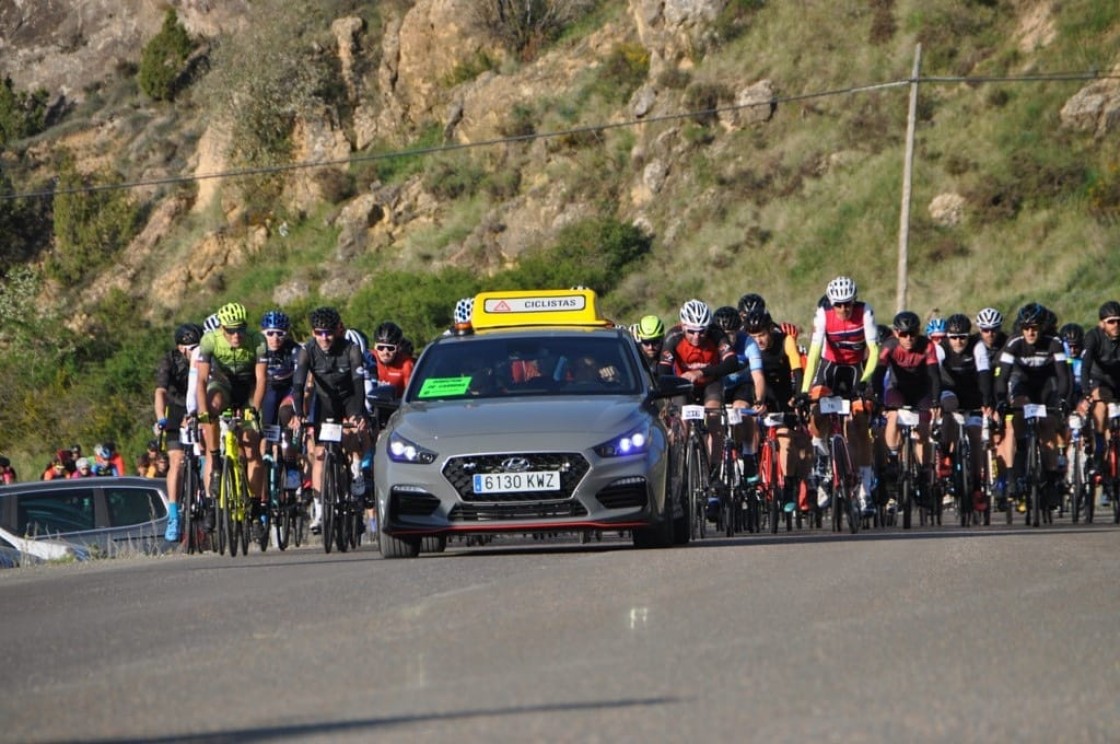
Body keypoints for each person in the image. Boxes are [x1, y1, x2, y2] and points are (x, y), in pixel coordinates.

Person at [800, 275, 879, 509]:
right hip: (830, 369)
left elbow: (874, 350)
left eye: (848, 303)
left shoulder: (865, 312)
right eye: (839, 304)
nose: (844, 309)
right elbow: (814, 354)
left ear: (855, 301)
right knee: (815, 410)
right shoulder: (824, 315)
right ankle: (822, 460)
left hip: (855, 371)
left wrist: (866, 380)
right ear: (831, 303)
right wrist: (805, 389)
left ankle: (864, 488)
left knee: (860, 422)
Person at [289, 307, 371, 532]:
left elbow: (358, 384)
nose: (324, 338)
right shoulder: (308, 350)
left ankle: (355, 469)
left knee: (353, 432)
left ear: (337, 331)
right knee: (320, 454)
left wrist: (358, 414)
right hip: (325, 402)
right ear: (313, 332)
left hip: (349, 398)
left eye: (329, 333)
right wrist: (299, 413)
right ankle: (320, 511)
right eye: (319, 332)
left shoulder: (351, 349)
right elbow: (297, 385)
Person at [196, 302, 268, 528]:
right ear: (222, 328)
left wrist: (254, 410)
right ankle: (216, 463)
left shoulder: (258, 340)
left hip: (247, 389)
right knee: (211, 406)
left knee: (251, 446)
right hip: (222, 385)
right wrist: (203, 413)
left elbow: (262, 379)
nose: (236, 335)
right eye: (230, 330)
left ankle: (256, 508)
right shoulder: (209, 340)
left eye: (241, 329)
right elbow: (200, 380)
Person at [995, 302, 1071, 512]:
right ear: (1021, 328)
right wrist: (1001, 400)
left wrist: (1064, 400)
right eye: (1026, 328)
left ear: (1042, 327)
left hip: (1046, 386)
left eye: (1034, 328)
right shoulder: (1014, 343)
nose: (1030, 332)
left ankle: (1052, 477)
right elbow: (1002, 377)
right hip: (1023, 383)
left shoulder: (1053, 342)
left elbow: (1064, 376)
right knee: (1018, 413)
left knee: (1047, 424)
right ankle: (1017, 471)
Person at [873, 311, 942, 516]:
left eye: (912, 333)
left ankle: (923, 472)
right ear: (896, 333)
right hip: (898, 390)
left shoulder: (927, 346)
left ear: (918, 332)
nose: (908, 338)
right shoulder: (889, 346)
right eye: (903, 334)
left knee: (923, 427)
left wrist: (936, 400)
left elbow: (935, 376)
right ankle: (893, 459)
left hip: (922, 392)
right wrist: (877, 397)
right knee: (892, 415)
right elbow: (878, 374)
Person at [936, 312, 994, 512]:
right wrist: (935, 400)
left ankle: (977, 486)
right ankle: (945, 453)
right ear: (947, 337)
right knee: (949, 406)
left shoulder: (977, 345)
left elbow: (984, 372)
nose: (958, 341)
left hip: (972, 395)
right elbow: (932, 371)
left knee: (976, 438)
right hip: (949, 390)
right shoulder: (941, 347)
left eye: (962, 337)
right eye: (954, 337)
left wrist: (987, 400)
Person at [155, 322, 202, 541]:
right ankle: (173, 514)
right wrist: (160, 418)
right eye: (190, 347)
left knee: (206, 453)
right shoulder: (169, 360)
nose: (194, 351)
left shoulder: (205, 358)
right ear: (180, 348)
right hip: (176, 408)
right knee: (177, 461)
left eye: (197, 346)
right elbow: (160, 391)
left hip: (200, 406)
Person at [1078, 301, 1120, 507]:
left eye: (1118, 321)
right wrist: (1086, 392)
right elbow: (1085, 367)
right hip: (1099, 381)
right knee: (1101, 405)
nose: (1115, 325)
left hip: (1118, 382)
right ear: (1102, 323)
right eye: (1111, 322)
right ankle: (1099, 446)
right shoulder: (1093, 337)